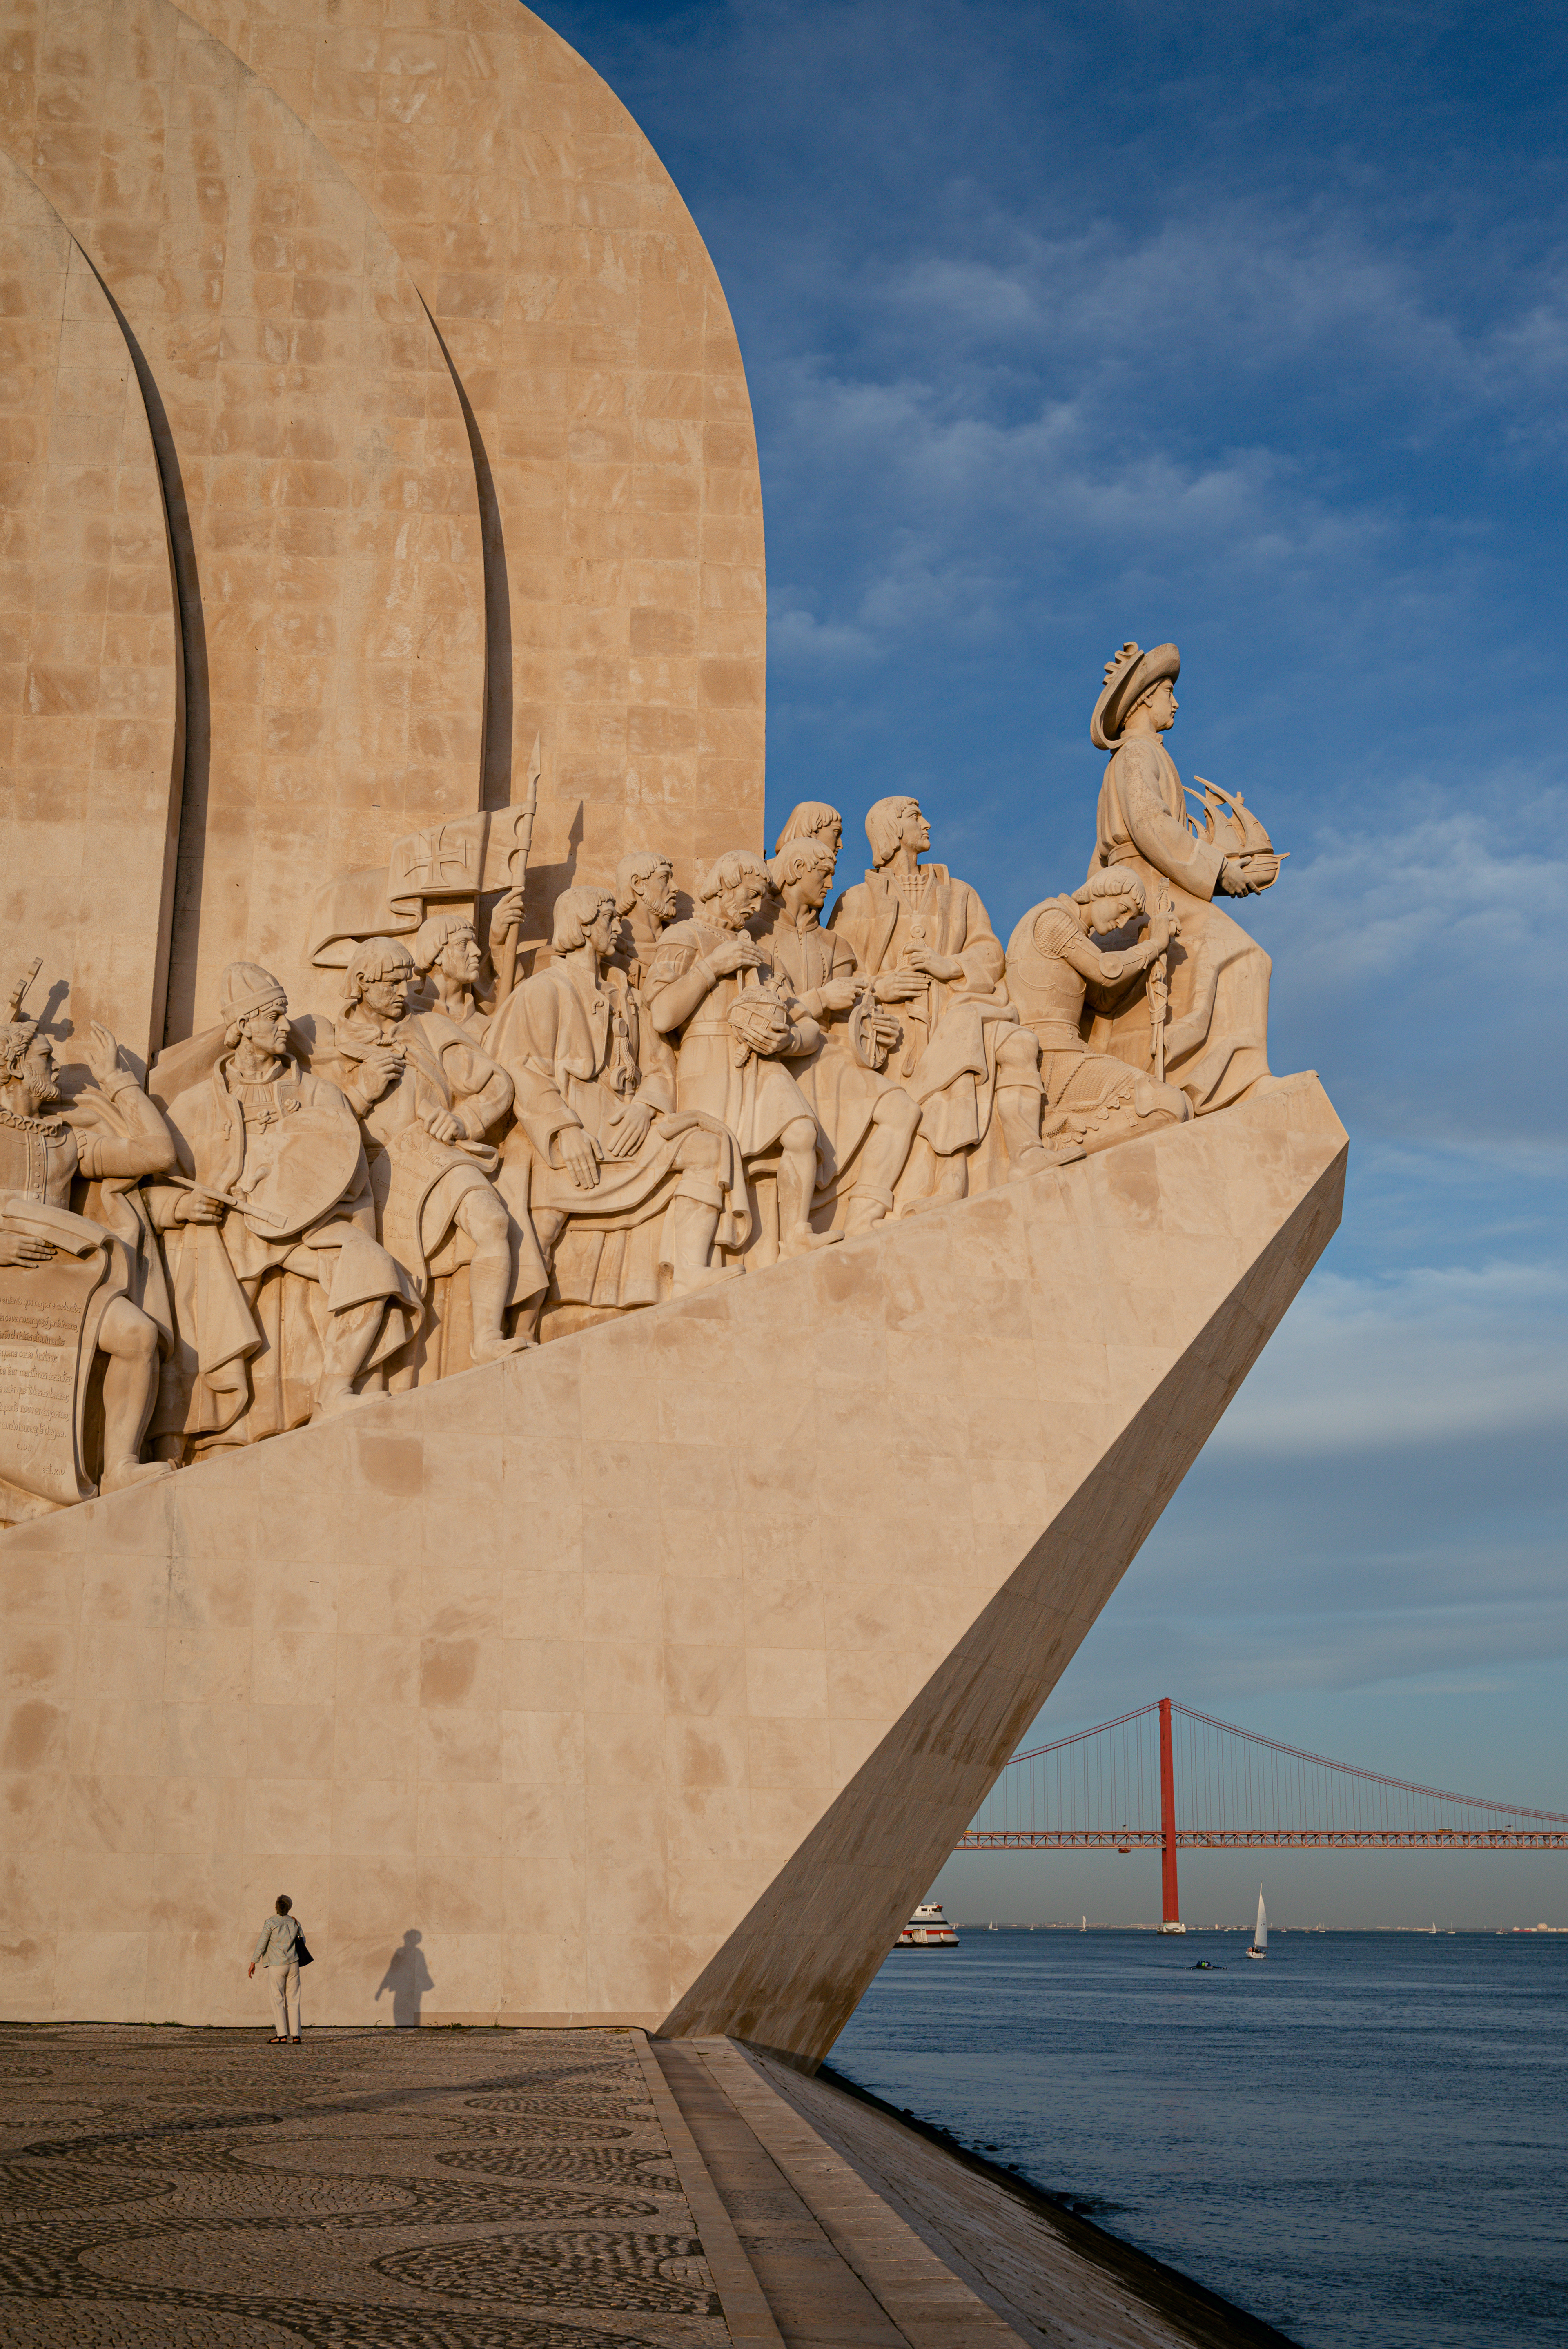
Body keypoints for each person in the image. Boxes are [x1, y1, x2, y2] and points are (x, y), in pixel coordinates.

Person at [149, 963, 419, 1451]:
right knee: (196, 1294)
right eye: (273, 1016)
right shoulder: (194, 1105)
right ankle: (178, 1435)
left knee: (374, 1269)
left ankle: (335, 1389)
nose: (285, 1027)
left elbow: (345, 1168)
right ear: (243, 1025)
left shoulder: (317, 1092)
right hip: (228, 1232)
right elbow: (151, 1185)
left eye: (285, 1014)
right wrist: (183, 1207)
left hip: (302, 1230)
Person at [488, 885, 745, 1314]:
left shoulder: (625, 992)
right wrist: (565, 1130)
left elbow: (661, 1063)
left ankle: (689, 1272)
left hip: (626, 1128)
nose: (617, 928)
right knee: (542, 1229)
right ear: (584, 927)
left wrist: (645, 1108)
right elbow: (519, 1065)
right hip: (571, 1134)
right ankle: (514, 1330)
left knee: (708, 1147)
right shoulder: (543, 989)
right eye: (609, 920)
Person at [0, 968, 179, 1503]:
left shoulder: (65, 1141)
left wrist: (119, 1081)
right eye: (43, 1058)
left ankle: (121, 1464)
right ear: (12, 1067)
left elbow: (157, 1154)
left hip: (59, 1282)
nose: (54, 1064)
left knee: (138, 1336)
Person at [828, 797, 1057, 1206]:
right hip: (895, 1032)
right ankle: (947, 1180)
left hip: (958, 1010)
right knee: (957, 1058)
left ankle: (1026, 1152)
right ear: (893, 830)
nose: (928, 823)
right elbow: (836, 975)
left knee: (1017, 1043)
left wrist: (948, 964)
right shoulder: (856, 901)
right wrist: (882, 986)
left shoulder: (960, 893)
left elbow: (991, 954)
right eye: (917, 817)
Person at [1085, 641, 1280, 1113]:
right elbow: (1151, 826)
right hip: (1147, 888)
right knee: (1244, 955)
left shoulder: (1142, 755)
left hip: (1151, 880)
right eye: (1168, 692)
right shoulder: (1136, 753)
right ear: (1145, 699)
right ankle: (1238, 1083)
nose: (1175, 703)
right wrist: (1217, 871)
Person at [331, 938, 542, 1364]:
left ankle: (486, 1339)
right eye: (390, 984)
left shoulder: (430, 1027)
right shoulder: (326, 1041)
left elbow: (497, 1083)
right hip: (372, 1174)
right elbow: (314, 1127)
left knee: (493, 1220)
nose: (401, 992)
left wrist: (465, 1119)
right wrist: (359, 1090)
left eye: (405, 982)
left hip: (433, 1155)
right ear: (360, 983)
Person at [642, 849, 837, 1260]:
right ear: (726, 885)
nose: (755, 908)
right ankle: (698, 1260)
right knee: (717, 1160)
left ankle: (797, 1233)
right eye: (749, 895)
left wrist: (788, 1042)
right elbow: (661, 1014)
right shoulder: (683, 935)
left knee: (802, 1133)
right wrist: (712, 967)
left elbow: (804, 1021)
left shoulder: (765, 955)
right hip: (707, 1059)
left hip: (763, 1063)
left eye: (760, 900)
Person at [764, 835, 920, 1234]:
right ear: (798, 871)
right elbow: (757, 1013)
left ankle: (864, 1219)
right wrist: (819, 998)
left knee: (902, 1109)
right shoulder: (758, 936)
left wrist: (873, 1028)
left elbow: (851, 1010)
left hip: (830, 1059)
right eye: (824, 874)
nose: (831, 885)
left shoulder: (835, 944)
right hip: (780, 1061)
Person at [1005, 868, 1192, 1152]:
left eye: (1130, 918)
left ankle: (1061, 1144)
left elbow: (1103, 999)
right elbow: (1107, 971)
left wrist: (1149, 960)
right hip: (1050, 1058)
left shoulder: (1077, 936)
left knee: (1171, 1106)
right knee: (1167, 1104)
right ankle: (1059, 1147)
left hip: (1068, 1056)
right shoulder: (1052, 920)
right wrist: (1154, 945)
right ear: (1103, 891)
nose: (1122, 922)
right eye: (1123, 909)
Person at [610, 849, 679, 988]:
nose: (675, 888)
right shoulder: (610, 947)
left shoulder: (680, 941)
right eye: (665, 879)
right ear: (638, 884)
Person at [248, 1893, 303, 2045]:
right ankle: (297, 2035)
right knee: (294, 1999)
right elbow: (303, 1941)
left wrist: (254, 1962)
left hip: (277, 1965)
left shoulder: (271, 1923)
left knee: (278, 2000)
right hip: (294, 1964)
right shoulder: (294, 1922)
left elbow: (262, 1943)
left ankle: (282, 2035)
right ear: (289, 1907)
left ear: (276, 1907)